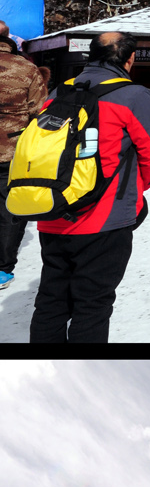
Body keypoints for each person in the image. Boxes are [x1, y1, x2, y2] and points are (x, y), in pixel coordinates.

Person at [29, 30, 150, 343]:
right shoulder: (133, 96)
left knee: (52, 299)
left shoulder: (58, 93)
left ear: (89, 55)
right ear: (130, 60)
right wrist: (130, 195)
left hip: (52, 212)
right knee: (92, 304)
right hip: (105, 219)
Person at [0, 21, 48, 289]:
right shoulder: (27, 69)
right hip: (12, 150)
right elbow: (40, 111)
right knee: (8, 208)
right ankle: (2, 269)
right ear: (9, 38)